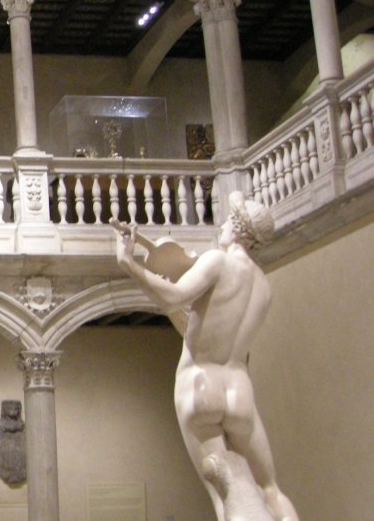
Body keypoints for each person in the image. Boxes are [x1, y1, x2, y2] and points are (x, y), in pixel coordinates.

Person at [114, 192, 298, 521]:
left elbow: (172, 298)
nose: (223, 224)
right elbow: (205, 331)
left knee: (224, 496)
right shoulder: (263, 286)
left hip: (200, 382)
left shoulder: (217, 261)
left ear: (238, 228)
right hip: (239, 388)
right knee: (269, 487)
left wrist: (128, 263)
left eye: (229, 220)